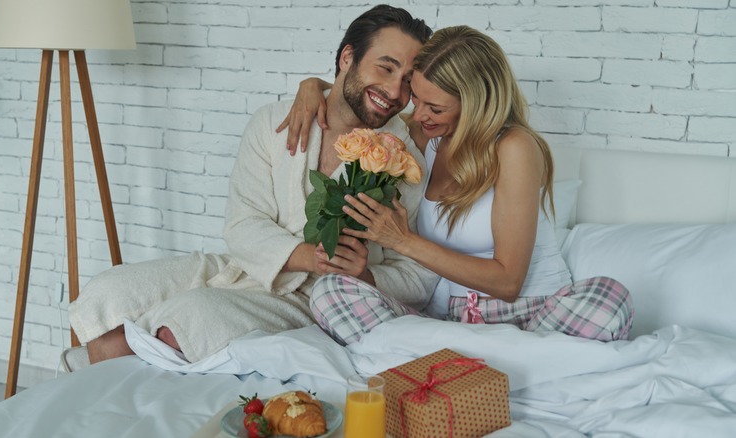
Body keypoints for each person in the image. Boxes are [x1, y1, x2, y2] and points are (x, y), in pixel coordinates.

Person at [68, 5, 439, 365]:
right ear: (347, 57)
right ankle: (105, 398)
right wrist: (311, 255)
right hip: (242, 268)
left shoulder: (403, 160)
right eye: (386, 67)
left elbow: (417, 276)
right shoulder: (273, 122)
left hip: (308, 299)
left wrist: (365, 274)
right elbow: (242, 225)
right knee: (110, 294)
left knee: (186, 322)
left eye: (408, 80)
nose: (395, 90)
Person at [283, 25, 634, 345]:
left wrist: (403, 240)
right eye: (416, 97)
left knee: (609, 300)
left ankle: (459, 368)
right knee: (330, 291)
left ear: (476, 104)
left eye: (435, 107)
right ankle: (491, 368)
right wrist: (313, 87)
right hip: (448, 323)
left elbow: (508, 283)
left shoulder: (513, 147)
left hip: (535, 316)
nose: (419, 114)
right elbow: (368, 103)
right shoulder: (424, 134)